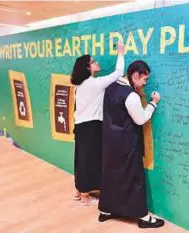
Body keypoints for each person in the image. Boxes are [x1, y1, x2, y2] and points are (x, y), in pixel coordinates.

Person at [98, 60, 165, 228]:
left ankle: (106, 211)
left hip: (109, 141)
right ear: (135, 75)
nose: (144, 84)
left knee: (111, 176)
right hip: (127, 144)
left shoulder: (111, 87)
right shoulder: (131, 96)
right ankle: (143, 217)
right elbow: (141, 119)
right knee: (134, 178)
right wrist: (153, 103)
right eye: (144, 80)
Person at [70, 41, 125, 206]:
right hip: (91, 126)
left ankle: (79, 192)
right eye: (93, 61)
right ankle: (85, 196)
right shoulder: (95, 83)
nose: (97, 62)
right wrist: (120, 52)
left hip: (80, 126)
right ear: (88, 68)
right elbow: (119, 72)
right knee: (88, 160)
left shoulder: (79, 85)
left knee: (81, 159)